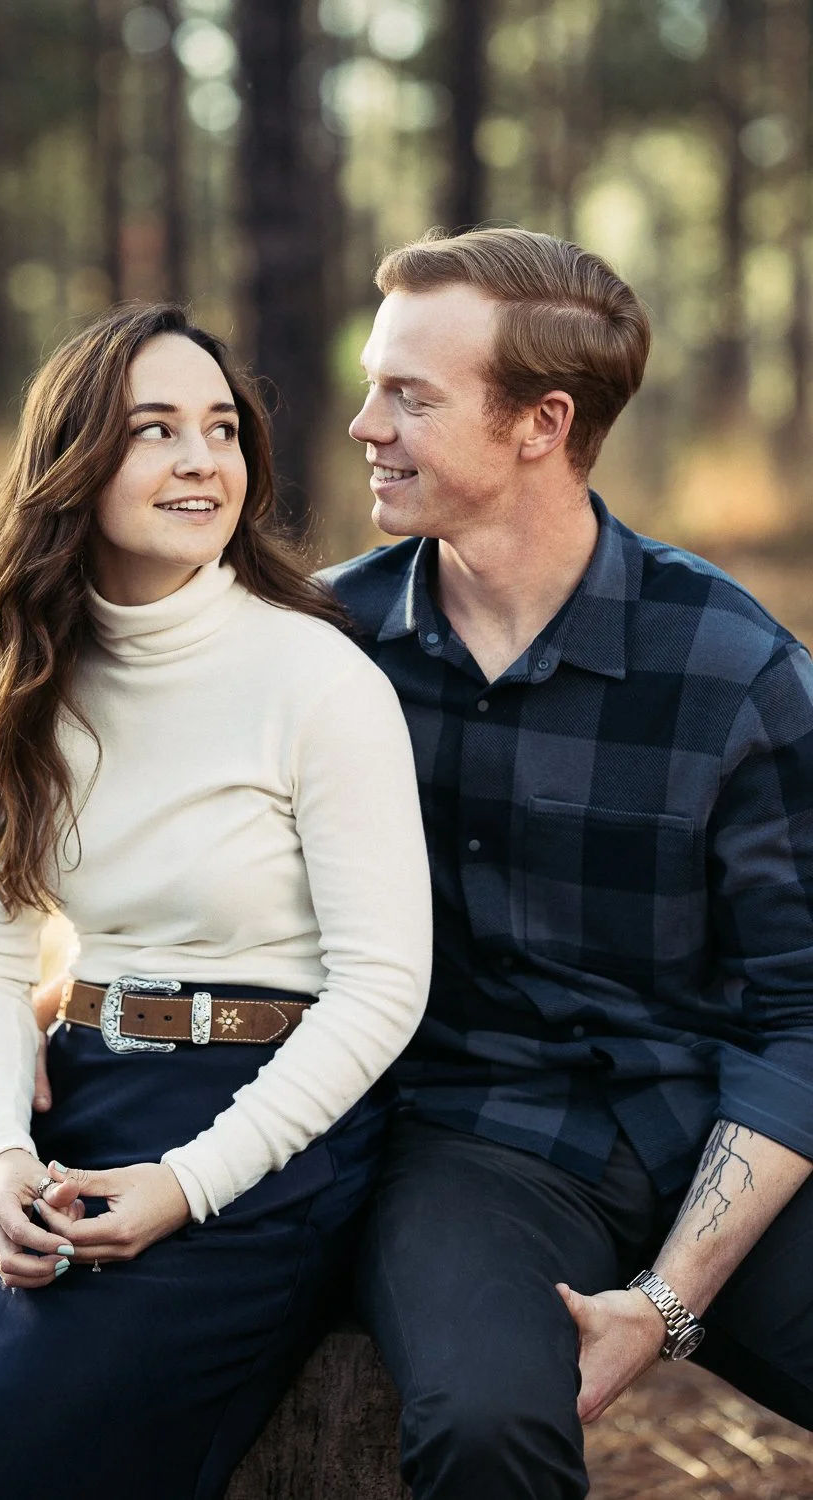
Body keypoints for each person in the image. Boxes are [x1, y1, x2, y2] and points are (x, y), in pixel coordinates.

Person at [0, 303, 433, 1498]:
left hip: (264, 1130)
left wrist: (186, 1183)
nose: (203, 458)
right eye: (155, 430)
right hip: (81, 1097)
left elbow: (383, 986)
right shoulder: (30, 681)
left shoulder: (317, 677)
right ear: (74, 463)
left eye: (220, 427)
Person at [320, 227, 813, 1499]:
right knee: (483, 1428)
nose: (364, 424)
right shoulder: (323, 650)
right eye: (374, 384)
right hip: (468, 1144)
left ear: (540, 423)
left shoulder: (730, 668)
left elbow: (803, 1008)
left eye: (410, 396)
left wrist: (666, 1299)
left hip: (712, 1127)